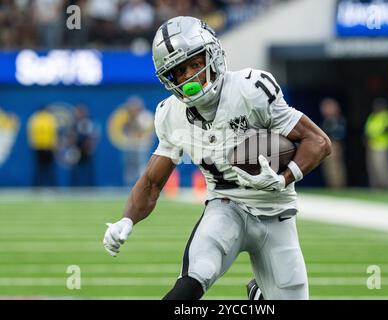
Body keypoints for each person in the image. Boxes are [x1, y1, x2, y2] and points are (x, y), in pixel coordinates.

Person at [103, 16, 331, 300]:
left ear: (213, 55)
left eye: (195, 64)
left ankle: (261, 297)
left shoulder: (251, 90)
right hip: (226, 207)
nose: (190, 77)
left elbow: (318, 141)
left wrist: (283, 178)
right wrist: (126, 220)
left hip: (276, 211)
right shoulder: (170, 114)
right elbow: (152, 182)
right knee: (193, 279)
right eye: (180, 71)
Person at [364, 98, 388, 189]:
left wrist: (373, 135)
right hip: (372, 145)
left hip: (383, 146)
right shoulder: (372, 116)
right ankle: (376, 187)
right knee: (373, 168)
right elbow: (367, 130)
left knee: (383, 167)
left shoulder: (387, 116)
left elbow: (387, 129)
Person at [27, 106, 58, 186]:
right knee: (47, 168)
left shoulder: (35, 118)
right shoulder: (50, 118)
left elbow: (31, 133)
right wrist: (54, 144)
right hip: (47, 146)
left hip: (39, 146)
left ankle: (38, 186)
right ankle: (50, 185)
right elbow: (54, 133)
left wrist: (32, 144)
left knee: (40, 168)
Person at [319, 98, 347, 188]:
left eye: (327, 107)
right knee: (328, 167)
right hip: (326, 145)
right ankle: (332, 185)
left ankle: (339, 186)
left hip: (335, 145)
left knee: (336, 167)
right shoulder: (327, 120)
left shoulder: (337, 120)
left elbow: (339, 134)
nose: (324, 110)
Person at [70, 104, 98, 187]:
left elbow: (91, 136)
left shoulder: (88, 122)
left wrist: (89, 147)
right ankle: (75, 187)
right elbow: (72, 136)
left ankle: (89, 186)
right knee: (75, 170)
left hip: (86, 149)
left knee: (88, 169)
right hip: (77, 149)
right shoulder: (75, 123)